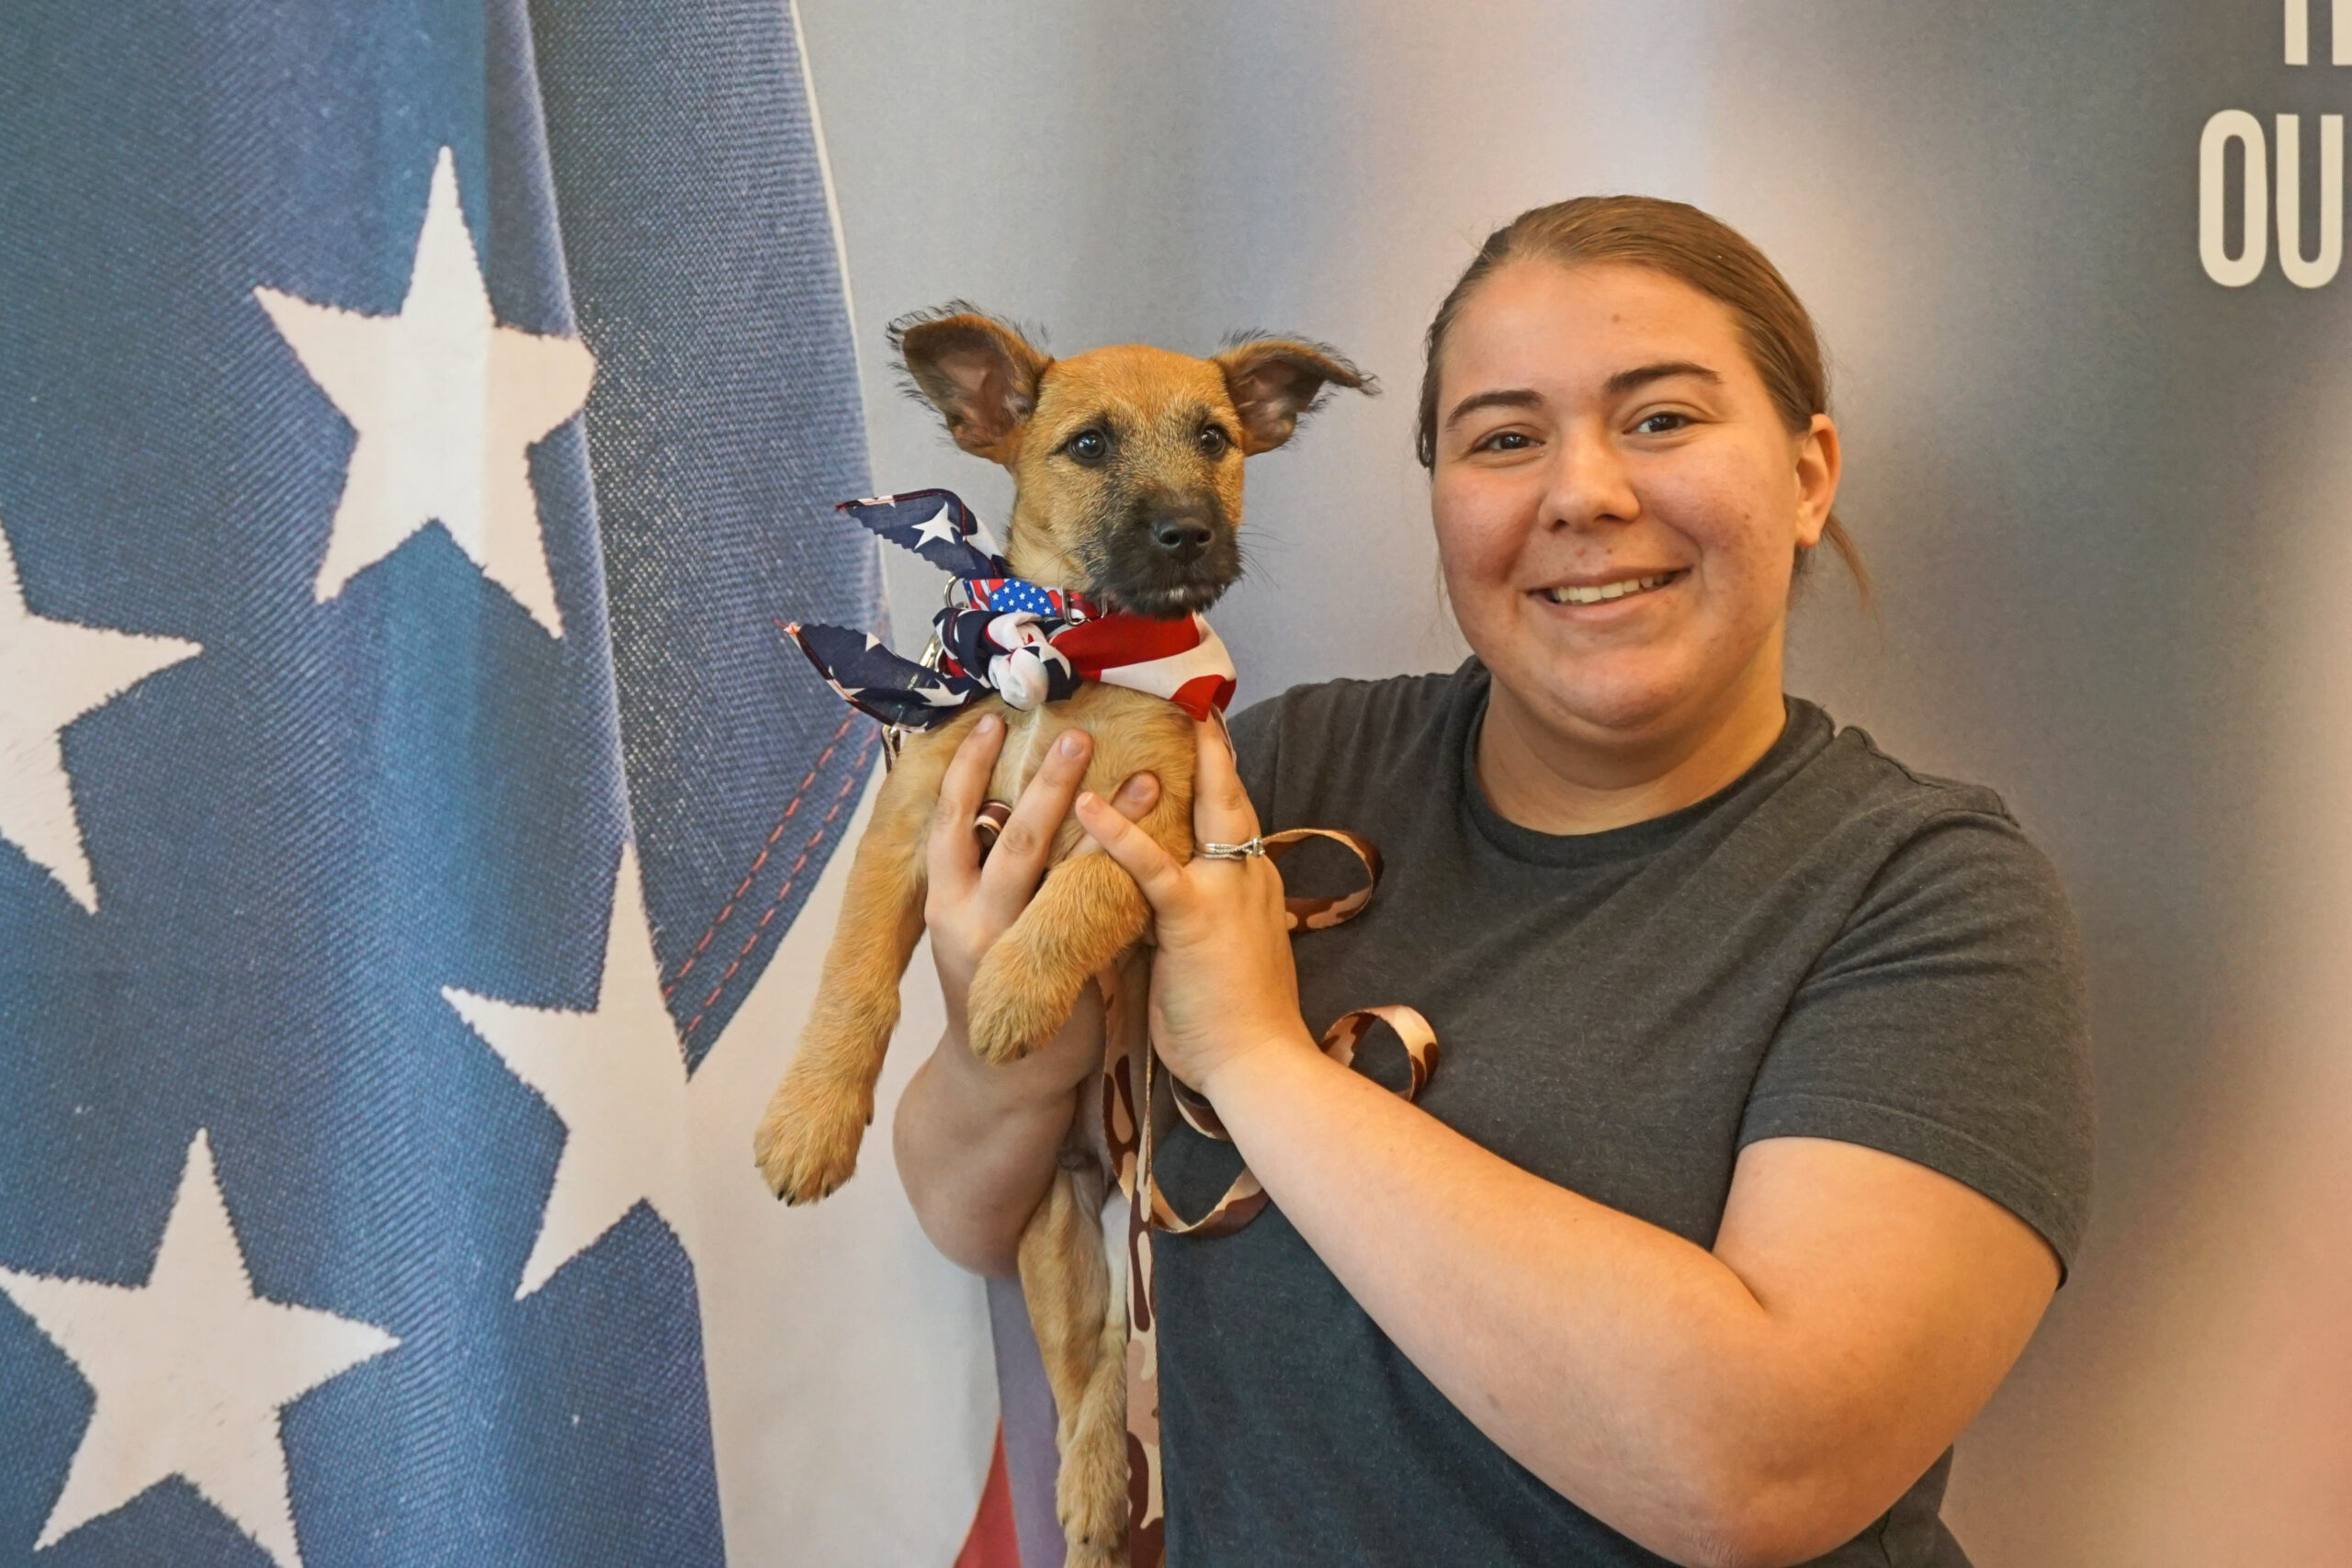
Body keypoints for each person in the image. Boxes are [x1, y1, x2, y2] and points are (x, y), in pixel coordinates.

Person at [893, 195, 2094, 1568]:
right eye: (1505, 439)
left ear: (1811, 474)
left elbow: (1757, 1472)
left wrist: (1256, 1058)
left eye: (1660, 419)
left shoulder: (1928, 902)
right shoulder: (1279, 766)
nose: (1583, 494)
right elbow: (964, 1201)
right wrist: (1008, 1035)